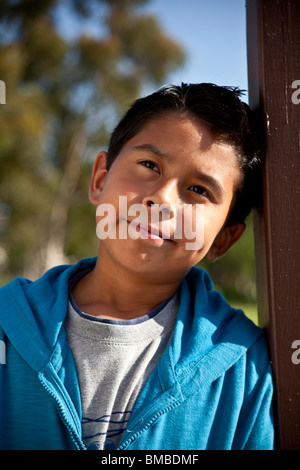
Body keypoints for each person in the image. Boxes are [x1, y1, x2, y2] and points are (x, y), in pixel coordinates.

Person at [0, 83, 274, 450]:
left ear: (224, 238)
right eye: (149, 165)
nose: (160, 199)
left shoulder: (243, 367)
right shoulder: (7, 324)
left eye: (199, 190)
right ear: (100, 179)